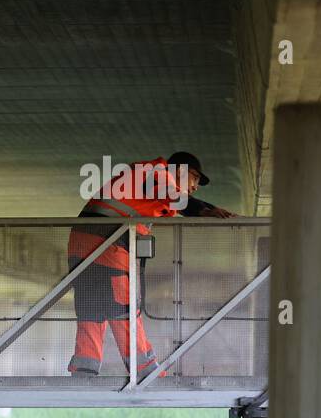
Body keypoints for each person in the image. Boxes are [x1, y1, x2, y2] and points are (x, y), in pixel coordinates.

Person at [67, 152, 234, 377]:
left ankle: (84, 371)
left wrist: (204, 209)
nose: (194, 186)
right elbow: (177, 199)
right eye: (193, 178)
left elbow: (175, 200)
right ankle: (146, 372)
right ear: (179, 171)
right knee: (123, 309)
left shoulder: (148, 178)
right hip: (105, 245)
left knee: (92, 309)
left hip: (83, 245)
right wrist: (205, 210)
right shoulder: (156, 172)